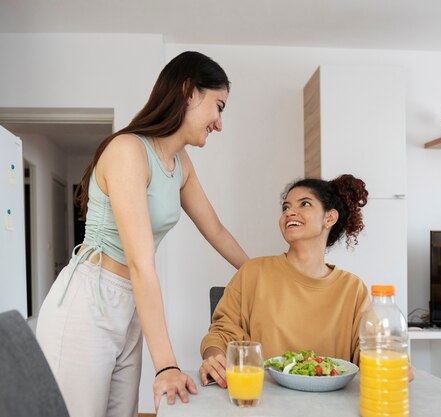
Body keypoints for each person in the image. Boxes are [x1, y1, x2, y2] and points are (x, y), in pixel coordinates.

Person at [36, 51, 249, 417]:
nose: (219, 123)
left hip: (130, 304)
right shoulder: (127, 151)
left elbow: (215, 229)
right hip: (89, 301)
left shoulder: (181, 164)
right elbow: (140, 262)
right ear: (188, 92)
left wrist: (264, 273)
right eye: (219, 106)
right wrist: (166, 365)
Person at [198, 174, 371, 388]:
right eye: (285, 207)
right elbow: (222, 333)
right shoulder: (253, 272)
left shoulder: (353, 289)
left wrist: (389, 361)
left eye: (304, 204)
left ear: (329, 218)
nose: (290, 212)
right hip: (261, 399)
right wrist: (214, 358)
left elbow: (370, 349)